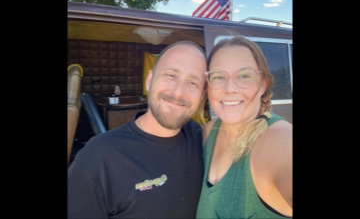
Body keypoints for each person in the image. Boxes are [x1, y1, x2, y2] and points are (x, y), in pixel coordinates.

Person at [68, 40, 208, 219]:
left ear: (202, 96)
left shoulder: (199, 139)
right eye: (171, 75)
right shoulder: (99, 158)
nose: (178, 92)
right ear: (149, 81)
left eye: (193, 83)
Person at [196, 36, 293, 218]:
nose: (230, 88)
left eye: (244, 76)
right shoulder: (206, 133)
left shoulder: (278, 142)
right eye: (218, 77)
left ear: (262, 84)